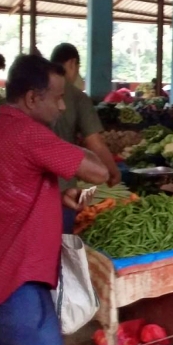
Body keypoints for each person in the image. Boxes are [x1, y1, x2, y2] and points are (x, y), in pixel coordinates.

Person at [0, 54, 109, 345]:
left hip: (1, 284)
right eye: (58, 98)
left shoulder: (0, 127)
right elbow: (99, 172)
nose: (62, 106)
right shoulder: (30, 133)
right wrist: (83, 142)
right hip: (18, 287)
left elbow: (10, 193)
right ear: (31, 98)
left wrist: (54, 200)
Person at [50, 43, 120, 231]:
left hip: (35, 191)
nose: (61, 106)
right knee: (59, 245)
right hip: (63, 186)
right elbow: (95, 143)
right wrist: (112, 172)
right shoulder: (76, 96)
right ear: (72, 63)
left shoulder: (33, 96)